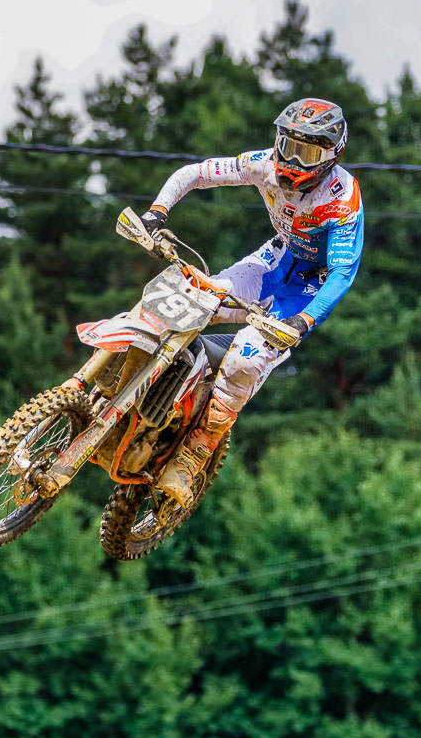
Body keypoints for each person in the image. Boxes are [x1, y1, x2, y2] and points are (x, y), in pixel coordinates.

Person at [135, 97, 364, 507]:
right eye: (288, 146)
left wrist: (305, 320)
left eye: (307, 153)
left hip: (310, 286)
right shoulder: (263, 164)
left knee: (245, 360)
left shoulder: (341, 196)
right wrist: (157, 212)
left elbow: (343, 272)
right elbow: (195, 173)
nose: (293, 161)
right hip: (274, 259)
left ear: (332, 156)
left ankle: (195, 453)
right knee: (192, 297)